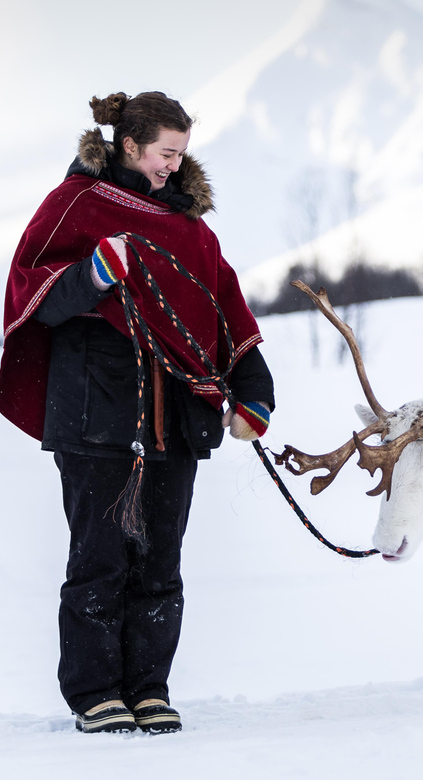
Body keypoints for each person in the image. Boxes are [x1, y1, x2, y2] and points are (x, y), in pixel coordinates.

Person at [0, 91, 274, 734]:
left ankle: (149, 688)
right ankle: (96, 694)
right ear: (129, 145)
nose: (173, 168)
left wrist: (254, 389)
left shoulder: (192, 229)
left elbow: (224, 306)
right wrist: (93, 272)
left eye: (181, 155)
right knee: (100, 558)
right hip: (98, 410)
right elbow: (32, 297)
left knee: (160, 561)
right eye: (164, 153)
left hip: (175, 417)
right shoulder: (76, 205)